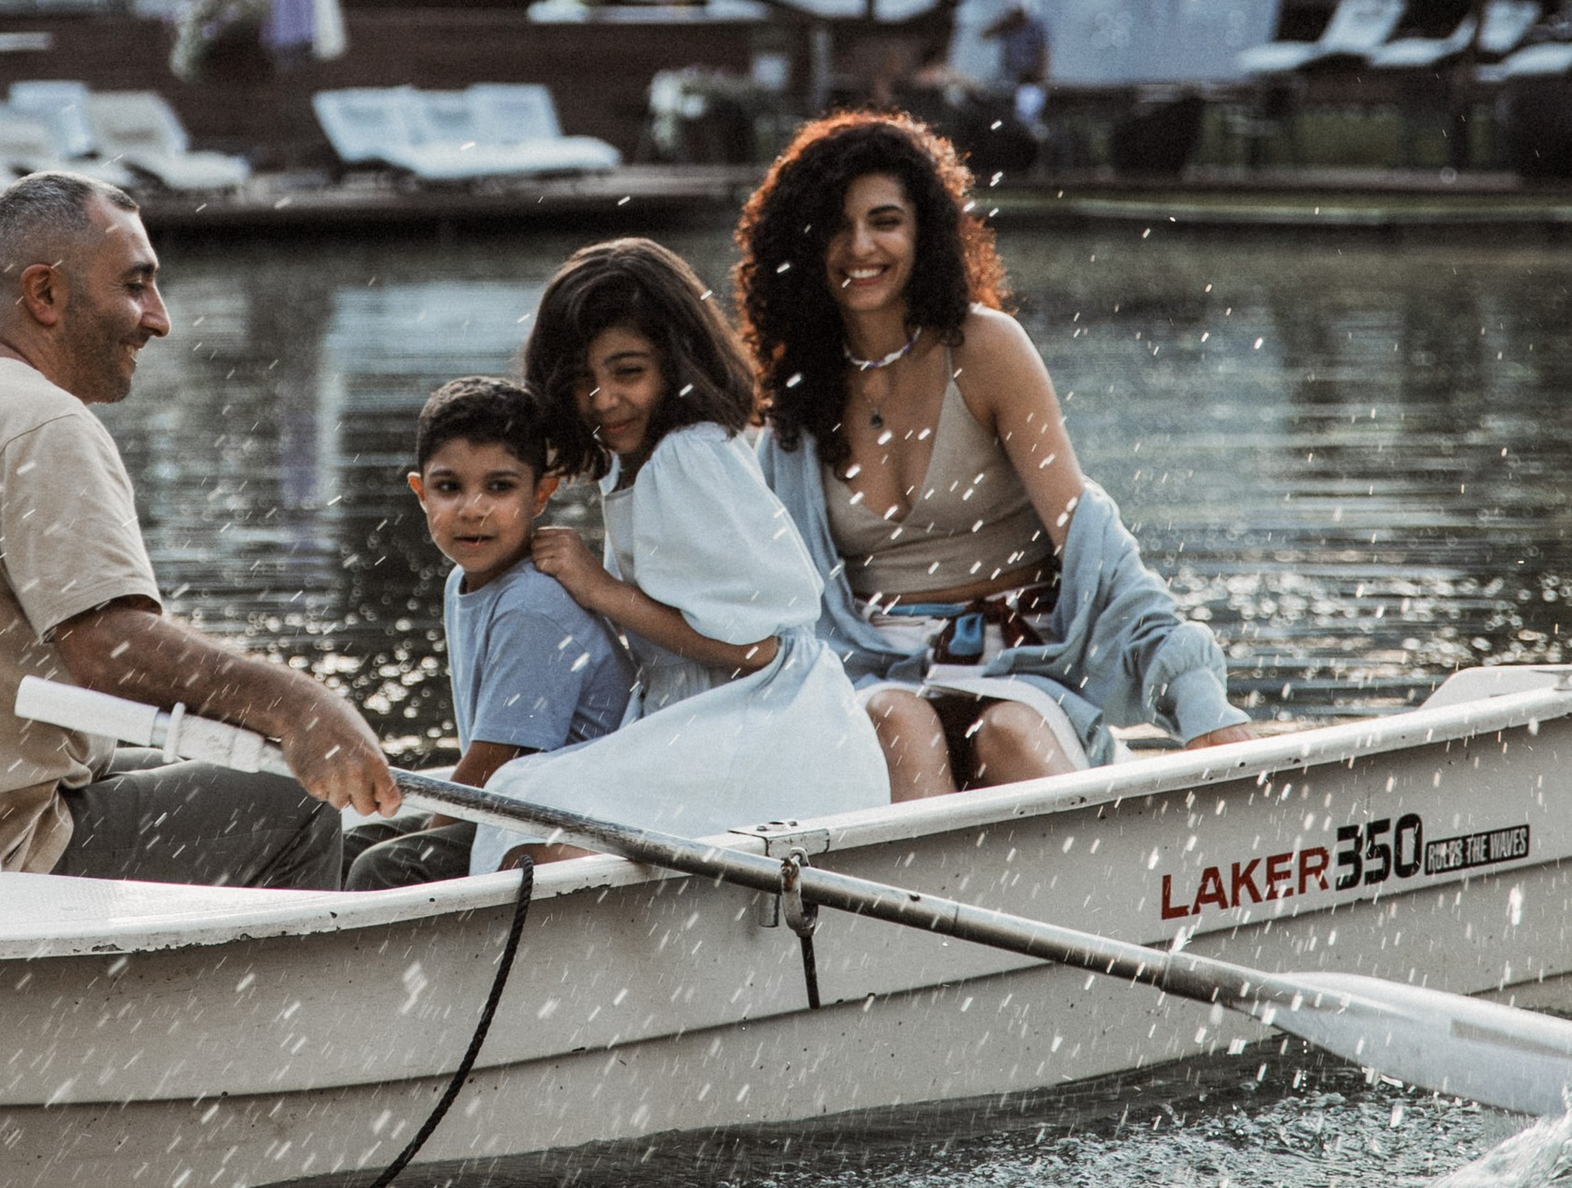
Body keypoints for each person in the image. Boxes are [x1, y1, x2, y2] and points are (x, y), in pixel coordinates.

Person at [0, 170, 396, 884]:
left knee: (228, 754)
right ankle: (283, 994)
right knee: (292, 802)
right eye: (134, 285)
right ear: (45, 295)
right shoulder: (40, 419)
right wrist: (301, 705)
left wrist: (265, 724)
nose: (159, 318)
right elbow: (109, 651)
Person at [736, 112, 1250, 802]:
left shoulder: (985, 350)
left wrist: (1196, 699)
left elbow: (1093, 544)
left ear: (925, 231)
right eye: (835, 224)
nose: (859, 246)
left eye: (885, 220)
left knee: (1003, 736)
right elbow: (776, 598)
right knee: (898, 724)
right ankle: (921, 908)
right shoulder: (793, 393)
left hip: (1023, 670)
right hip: (873, 679)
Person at [464, 238, 885, 861]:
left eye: (628, 372)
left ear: (678, 363)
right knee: (523, 801)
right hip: (722, 718)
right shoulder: (637, 463)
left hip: (774, 729)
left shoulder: (687, 455)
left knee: (526, 808)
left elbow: (755, 646)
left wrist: (600, 589)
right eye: (582, 380)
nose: (603, 400)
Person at [342, 376, 634, 892]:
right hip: (515, 804)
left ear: (542, 493)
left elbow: (490, 768)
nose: (472, 508)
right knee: (352, 844)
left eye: (500, 487)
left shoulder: (532, 604)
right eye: (449, 487)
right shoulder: (466, 580)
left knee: (385, 867)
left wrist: (423, 837)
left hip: (566, 819)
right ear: (420, 493)